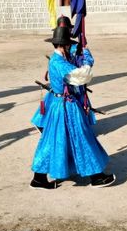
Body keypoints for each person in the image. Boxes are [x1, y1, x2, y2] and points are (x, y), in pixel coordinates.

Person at [30, 22, 115, 189]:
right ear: (64, 45)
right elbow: (81, 76)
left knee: (54, 141)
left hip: (60, 105)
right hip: (65, 107)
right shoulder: (58, 62)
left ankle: (39, 178)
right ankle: (96, 177)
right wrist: (88, 60)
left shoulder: (60, 58)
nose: (70, 47)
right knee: (82, 138)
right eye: (69, 44)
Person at [32, 16, 97, 130]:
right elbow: (62, 65)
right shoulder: (59, 55)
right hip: (67, 82)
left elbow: (82, 62)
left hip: (72, 79)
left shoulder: (76, 47)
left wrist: (83, 54)